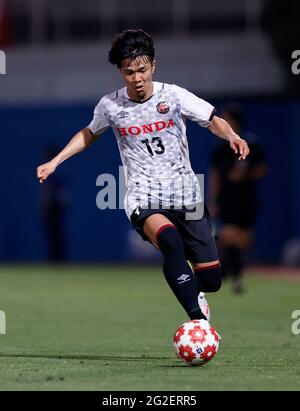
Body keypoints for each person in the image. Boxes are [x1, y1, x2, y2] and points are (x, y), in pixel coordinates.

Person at [36, 30, 249, 322]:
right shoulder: (111, 105)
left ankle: (192, 291)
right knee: (170, 242)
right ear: (120, 72)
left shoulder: (173, 95)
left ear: (153, 66)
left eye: (142, 70)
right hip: (143, 195)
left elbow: (212, 120)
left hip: (186, 195)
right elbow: (89, 133)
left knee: (212, 280)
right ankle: (197, 322)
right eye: (128, 72)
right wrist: (55, 161)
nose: (136, 78)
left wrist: (233, 136)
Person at [209, 104, 267, 293]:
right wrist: (214, 199)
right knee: (228, 236)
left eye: (227, 119)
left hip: (246, 199)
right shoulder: (221, 148)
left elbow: (262, 168)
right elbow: (215, 175)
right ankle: (233, 273)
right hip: (227, 199)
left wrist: (246, 175)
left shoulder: (252, 144)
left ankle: (232, 271)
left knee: (241, 238)